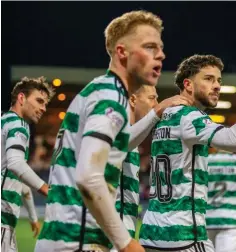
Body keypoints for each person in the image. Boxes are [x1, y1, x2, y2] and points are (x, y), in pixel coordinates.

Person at [36, 10, 189, 252]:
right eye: (150, 47)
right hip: (79, 240)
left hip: (66, 236)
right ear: (122, 52)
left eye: (160, 48)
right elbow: (89, 177)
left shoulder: (98, 91)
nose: (160, 55)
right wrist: (125, 243)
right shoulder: (110, 98)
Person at [139, 54, 236, 252]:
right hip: (183, 234)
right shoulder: (189, 117)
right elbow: (235, 140)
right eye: (208, 79)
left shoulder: (163, 118)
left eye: (219, 80)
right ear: (188, 84)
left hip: (152, 231)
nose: (217, 85)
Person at [1, 76, 54, 252]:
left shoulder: (4, 123)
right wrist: (46, 189)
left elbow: (21, 185)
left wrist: (32, 217)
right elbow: (16, 164)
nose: (43, 108)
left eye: (45, 104)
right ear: (21, 98)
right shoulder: (18, 124)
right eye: (39, 101)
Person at [110, 84, 159, 251]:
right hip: (113, 236)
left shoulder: (132, 137)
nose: (156, 104)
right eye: (152, 98)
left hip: (123, 233)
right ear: (132, 99)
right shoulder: (115, 127)